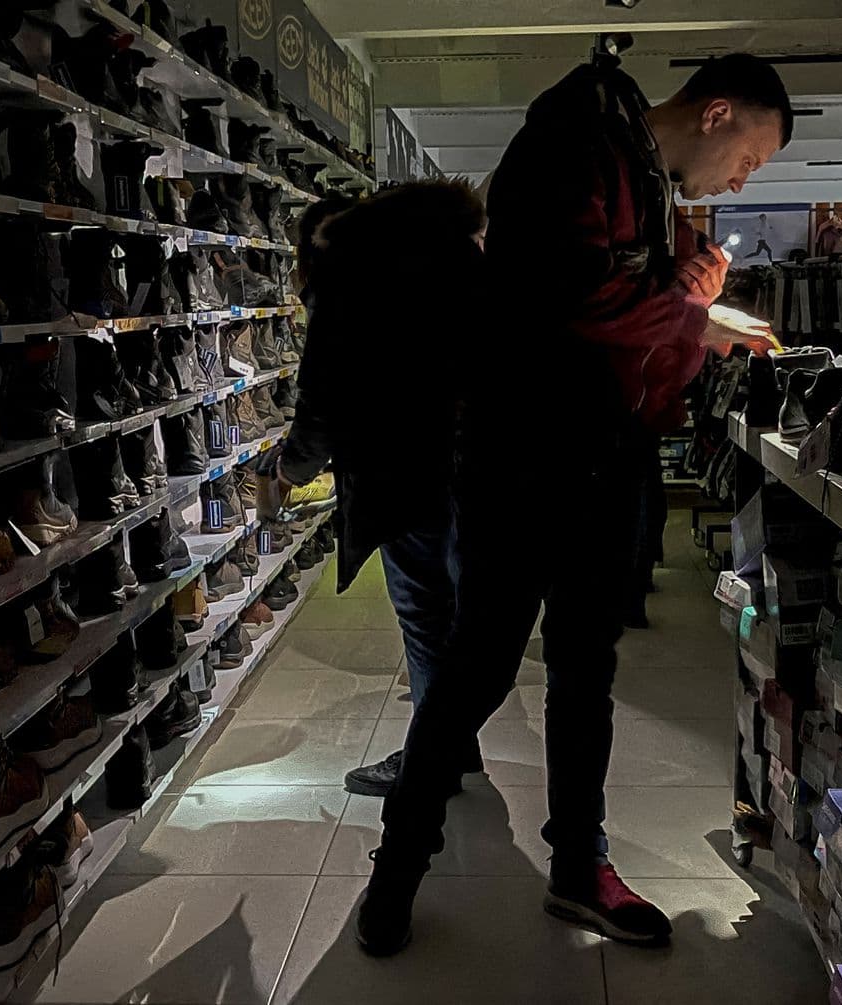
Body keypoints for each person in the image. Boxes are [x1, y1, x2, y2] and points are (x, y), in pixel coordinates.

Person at [357, 52, 788, 955]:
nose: (742, 181)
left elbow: (630, 322)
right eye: (749, 157)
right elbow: (582, 299)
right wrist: (693, 308)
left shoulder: (638, 173)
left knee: (583, 671)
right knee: (479, 666)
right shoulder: (572, 143)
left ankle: (577, 868)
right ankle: (398, 866)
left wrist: (692, 309)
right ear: (716, 113)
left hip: (599, 454)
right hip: (523, 454)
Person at [273, 180, 492, 797]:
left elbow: (323, 396)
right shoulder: (460, 261)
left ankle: (432, 760)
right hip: (477, 470)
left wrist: (289, 472)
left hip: (402, 476)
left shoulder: (350, 277)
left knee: (426, 619)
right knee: (461, 617)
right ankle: (453, 745)